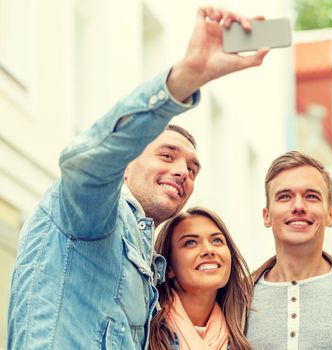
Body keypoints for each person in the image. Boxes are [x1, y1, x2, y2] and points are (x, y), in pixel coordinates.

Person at [8, 7, 269, 350]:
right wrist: (184, 78)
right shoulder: (94, 212)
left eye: (192, 169)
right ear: (126, 163)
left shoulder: (145, 259)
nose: (182, 172)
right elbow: (85, 162)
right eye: (166, 155)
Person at [246, 151, 332, 349]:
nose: (298, 206)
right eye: (284, 196)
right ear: (267, 215)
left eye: (311, 196)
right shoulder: (238, 297)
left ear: (331, 215)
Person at [149, 207, 252, 350]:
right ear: (168, 267)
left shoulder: (246, 332)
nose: (209, 250)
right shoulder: (144, 331)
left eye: (217, 240)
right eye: (190, 242)